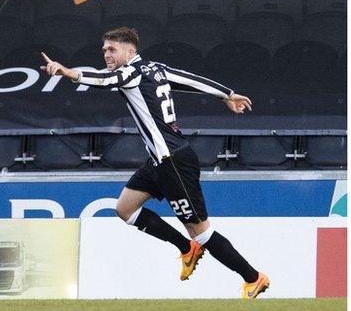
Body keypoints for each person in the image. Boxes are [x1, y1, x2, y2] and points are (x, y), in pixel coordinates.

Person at [40, 27, 269, 299]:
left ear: (130, 51)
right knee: (125, 208)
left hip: (174, 162)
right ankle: (186, 249)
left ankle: (253, 277)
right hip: (159, 161)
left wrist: (67, 72)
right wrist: (227, 94)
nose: (106, 54)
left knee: (200, 231)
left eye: (112, 50)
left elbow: (103, 79)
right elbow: (190, 80)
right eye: (104, 50)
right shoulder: (155, 69)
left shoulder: (131, 72)